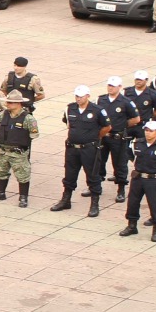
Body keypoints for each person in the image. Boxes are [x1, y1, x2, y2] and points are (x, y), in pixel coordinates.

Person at [50, 86, 110, 216]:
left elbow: (107, 127)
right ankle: (66, 200)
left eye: (81, 96)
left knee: (93, 175)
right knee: (69, 174)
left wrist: (94, 137)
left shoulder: (97, 110)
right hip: (72, 148)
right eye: (76, 96)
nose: (78, 98)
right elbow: (68, 123)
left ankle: (94, 204)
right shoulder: (70, 108)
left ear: (88, 96)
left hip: (89, 148)